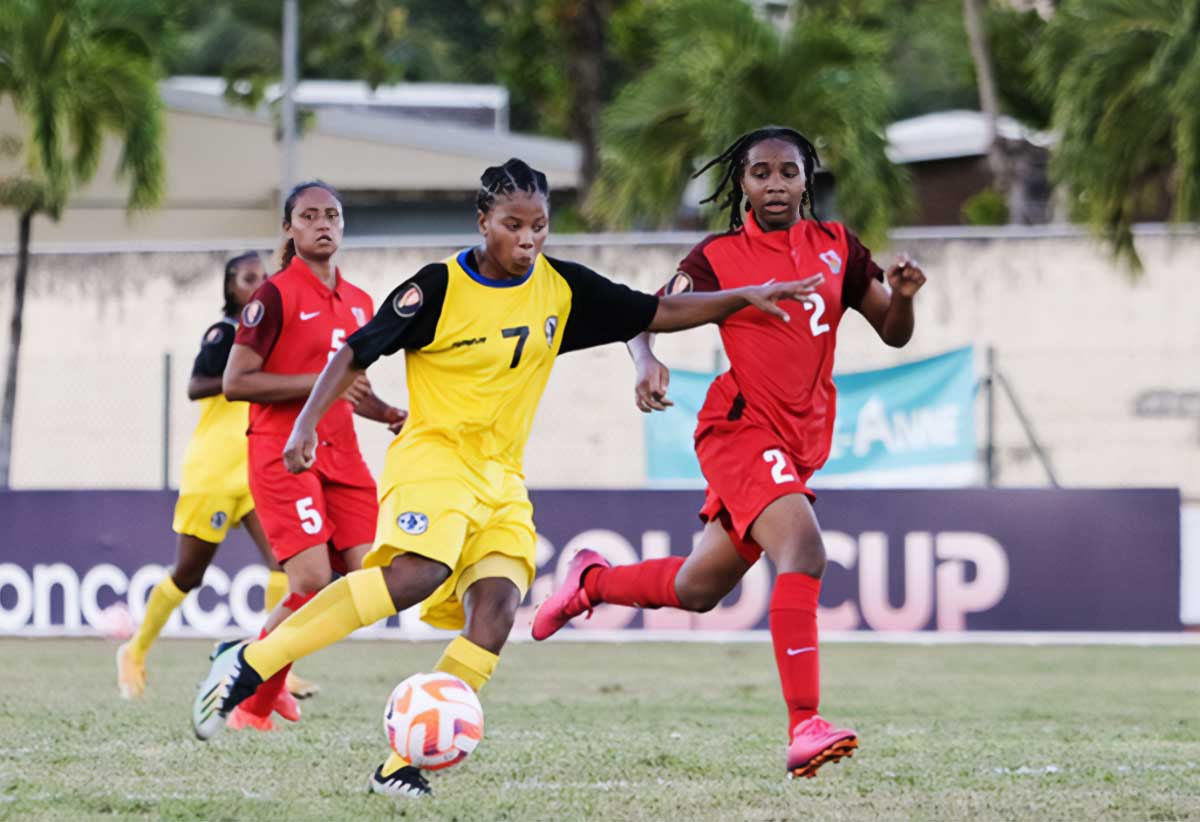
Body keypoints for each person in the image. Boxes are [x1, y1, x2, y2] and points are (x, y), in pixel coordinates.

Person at [191, 158, 823, 797]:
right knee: (417, 575)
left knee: (495, 611)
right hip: (433, 458)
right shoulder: (436, 287)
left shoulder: (560, 287)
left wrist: (737, 301)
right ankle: (251, 661)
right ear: (483, 222)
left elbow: (650, 312)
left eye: (539, 226)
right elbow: (357, 350)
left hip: (501, 478)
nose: (527, 239)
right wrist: (304, 425)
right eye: (513, 225)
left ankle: (403, 762)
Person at [532, 126, 928, 780]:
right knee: (804, 549)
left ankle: (589, 583)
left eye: (788, 173)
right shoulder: (719, 257)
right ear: (740, 184)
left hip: (799, 441)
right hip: (740, 429)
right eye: (760, 173)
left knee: (698, 589)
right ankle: (805, 724)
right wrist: (646, 358)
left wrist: (906, 298)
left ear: (808, 180)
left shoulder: (837, 249)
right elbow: (648, 310)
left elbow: (891, 333)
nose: (775, 185)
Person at [219, 181, 406, 731]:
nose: (322, 223)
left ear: (342, 226)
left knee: (373, 578)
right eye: (309, 215)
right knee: (309, 580)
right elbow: (236, 382)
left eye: (332, 215)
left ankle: (261, 667)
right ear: (289, 229)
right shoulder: (273, 296)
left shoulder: (361, 303)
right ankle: (252, 695)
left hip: (343, 457)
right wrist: (320, 382)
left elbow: (353, 389)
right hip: (284, 455)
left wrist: (391, 413)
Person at [116, 252, 318, 700]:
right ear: (230, 288)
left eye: (265, 278)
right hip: (213, 472)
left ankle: (274, 665)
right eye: (249, 279)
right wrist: (241, 378)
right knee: (188, 574)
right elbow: (194, 386)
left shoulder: (271, 339)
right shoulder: (224, 334)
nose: (259, 285)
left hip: (255, 470)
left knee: (285, 564)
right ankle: (135, 649)